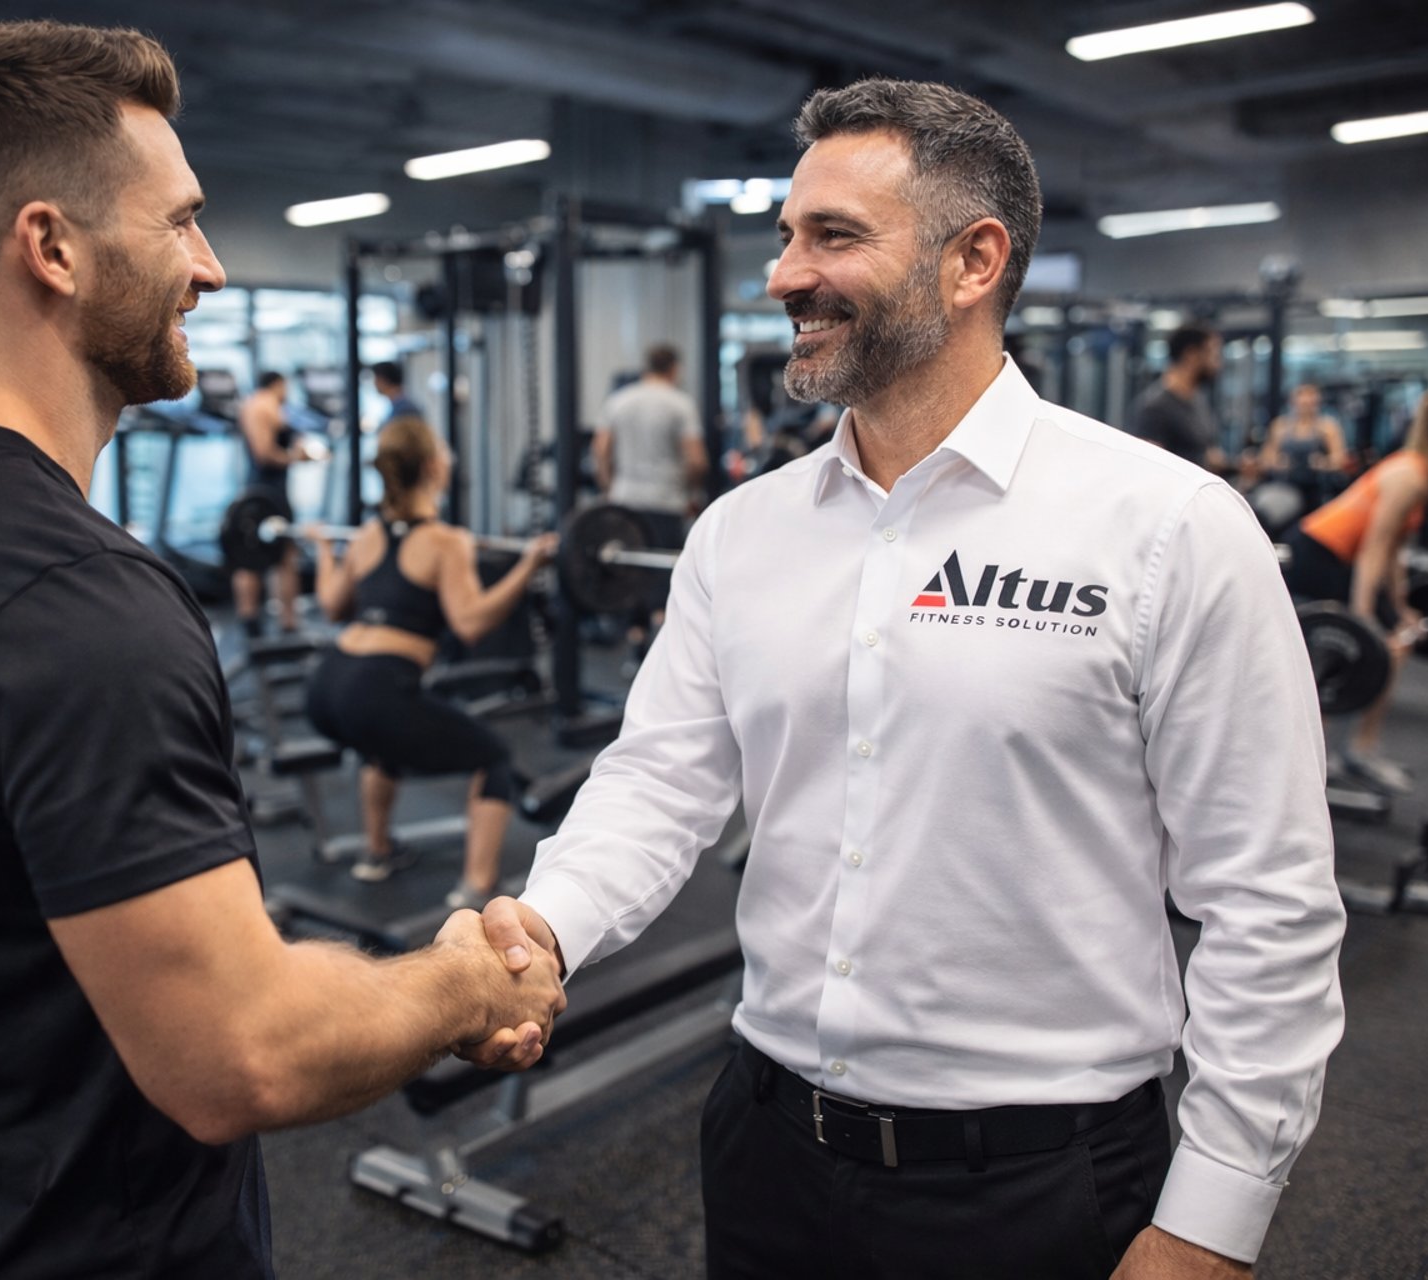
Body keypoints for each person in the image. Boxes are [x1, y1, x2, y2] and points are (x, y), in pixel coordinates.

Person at [482, 77, 1343, 1279]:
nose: (785, 275)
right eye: (787, 236)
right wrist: (547, 926)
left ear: (972, 260)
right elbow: (663, 780)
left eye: (833, 236)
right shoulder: (741, 532)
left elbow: (1268, 900)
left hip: (1041, 1185)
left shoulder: (1169, 528)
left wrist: (1212, 1220)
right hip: (766, 1146)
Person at [0, 23, 561, 1280]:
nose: (212, 267)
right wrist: (466, 982)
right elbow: (242, 1054)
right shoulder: (77, 598)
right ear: (53, 247)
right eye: (181, 220)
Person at [305, 415, 556, 909]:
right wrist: (529, 565)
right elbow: (471, 623)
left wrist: (322, 550)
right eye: (443, 449)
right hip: (376, 689)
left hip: (327, 685)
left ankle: (377, 853)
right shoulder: (446, 541)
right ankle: (475, 889)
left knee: (382, 741)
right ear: (431, 467)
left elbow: (332, 605)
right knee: (493, 757)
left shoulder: (366, 536)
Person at [1280, 393, 1428, 792]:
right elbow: (1374, 549)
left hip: (1341, 558)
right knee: (1368, 647)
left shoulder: (1424, 475)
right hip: (1317, 553)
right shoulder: (1410, 474)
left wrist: (1399, 605)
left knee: (1398, 639)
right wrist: (1364, 619)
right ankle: (1322, 757)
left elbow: (1393, 550)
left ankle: (1356, 749)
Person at [593, 343, 707, 650]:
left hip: (625, 502)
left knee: (630, 577)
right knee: (662, 580)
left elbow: (600, 451)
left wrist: (609, 488)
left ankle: (635, 640)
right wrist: (690, 492)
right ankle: (661, 647)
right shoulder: (680, 403)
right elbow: (697, 460)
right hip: (665, 503)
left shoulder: (618, 401)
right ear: (674, 369)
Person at [234, 369, 310, 635]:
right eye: (285, 387)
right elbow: (264, 453)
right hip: (264, 492)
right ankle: (267, 620)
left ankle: (279, 621)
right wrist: (296, 458)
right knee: (265, 554)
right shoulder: (262, 406)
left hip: (269, 490)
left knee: (277, 554)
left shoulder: (264, 406)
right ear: (278, 384)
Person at [1133, 323, 1228, 473]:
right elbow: (1149, 469)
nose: (1218, 364)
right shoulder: (1155, 408)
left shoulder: (1198, 401)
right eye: (1213, 354)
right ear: (1191, 355)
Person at [1260, 382, 1350, 511]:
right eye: (1302, 397)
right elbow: (1266, 458)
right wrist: (1278, 462)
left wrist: (1324, 463)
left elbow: (1340, 459)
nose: (1306, 402)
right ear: (1293, 401)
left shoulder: (1327, 427)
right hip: (1288, 489)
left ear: (1317, 401)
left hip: (1317, 490)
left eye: (1310, 398)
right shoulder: (1280, 426)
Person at [370, 359, 423, 424]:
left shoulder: (405, 410)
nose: (374, 383)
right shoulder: (400, 407)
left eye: (376, 379)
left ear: (384, 380)